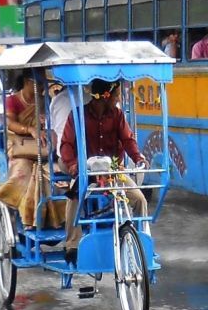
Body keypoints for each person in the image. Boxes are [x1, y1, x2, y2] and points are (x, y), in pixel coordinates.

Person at [58, 78, 148, 264]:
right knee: (74, 199)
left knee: (139, 199)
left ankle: (142, 238)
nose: (118, 99)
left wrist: (138, 157)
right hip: (86, 172)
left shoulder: (118, 115)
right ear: (105, 96)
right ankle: (72, 244)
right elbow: (66, 144)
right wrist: (73, 165)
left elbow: (128, 140)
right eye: (116, 95)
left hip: (113, 172)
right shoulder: (77, 115)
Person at [0, 71, 65, 228]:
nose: (42, 87)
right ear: (26, 81)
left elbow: (54, 123)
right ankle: (28, 217)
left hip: (43, 149)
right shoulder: (12, 101)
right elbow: (9, 123)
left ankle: (51, 217)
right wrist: (29, 129)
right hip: (20, 148)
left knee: (53, 176)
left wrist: (45, 123)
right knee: (24, 173)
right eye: (38, 83)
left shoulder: (45, 101)